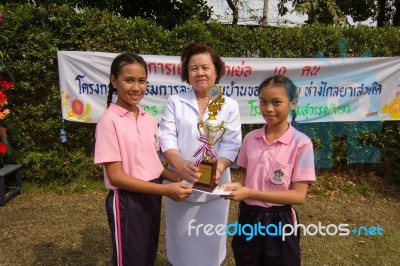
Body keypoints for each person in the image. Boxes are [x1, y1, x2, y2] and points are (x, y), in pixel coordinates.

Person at [94, 53, 192, 266]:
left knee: (147, 255)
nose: (136, 87)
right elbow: (117, 177)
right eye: (129, 80)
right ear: (114, 81)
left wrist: (181, 177)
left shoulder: (147, 119)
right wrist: (166, 190)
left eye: (142, 80)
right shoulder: (108, 122)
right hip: (127, 201)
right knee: (130, 260)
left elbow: (154, 165)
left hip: (151, 196)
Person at [158, 43, 242, 266]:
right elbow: (166, 136)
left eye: (205, 67)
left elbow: (232, 144)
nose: (200, 72)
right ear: (187, 73)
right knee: (182, 243)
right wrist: (179, 163)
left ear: (217, 70)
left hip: (215, 186)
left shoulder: (229, 105)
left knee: (211, 241)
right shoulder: (176, 101)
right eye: (193, 68)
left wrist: (220, 168)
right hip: (181, 183)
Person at [220, 75, 316, 266]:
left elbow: (298, 196)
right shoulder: (250, 139)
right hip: (248, 215)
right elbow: (248, 179)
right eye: (263, 102)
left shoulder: (302, 143)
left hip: (279, 219)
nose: (268, 108)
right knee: (246, 259)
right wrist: (236, 187)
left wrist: (250, 192)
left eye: (276, 102)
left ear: (293, 103)